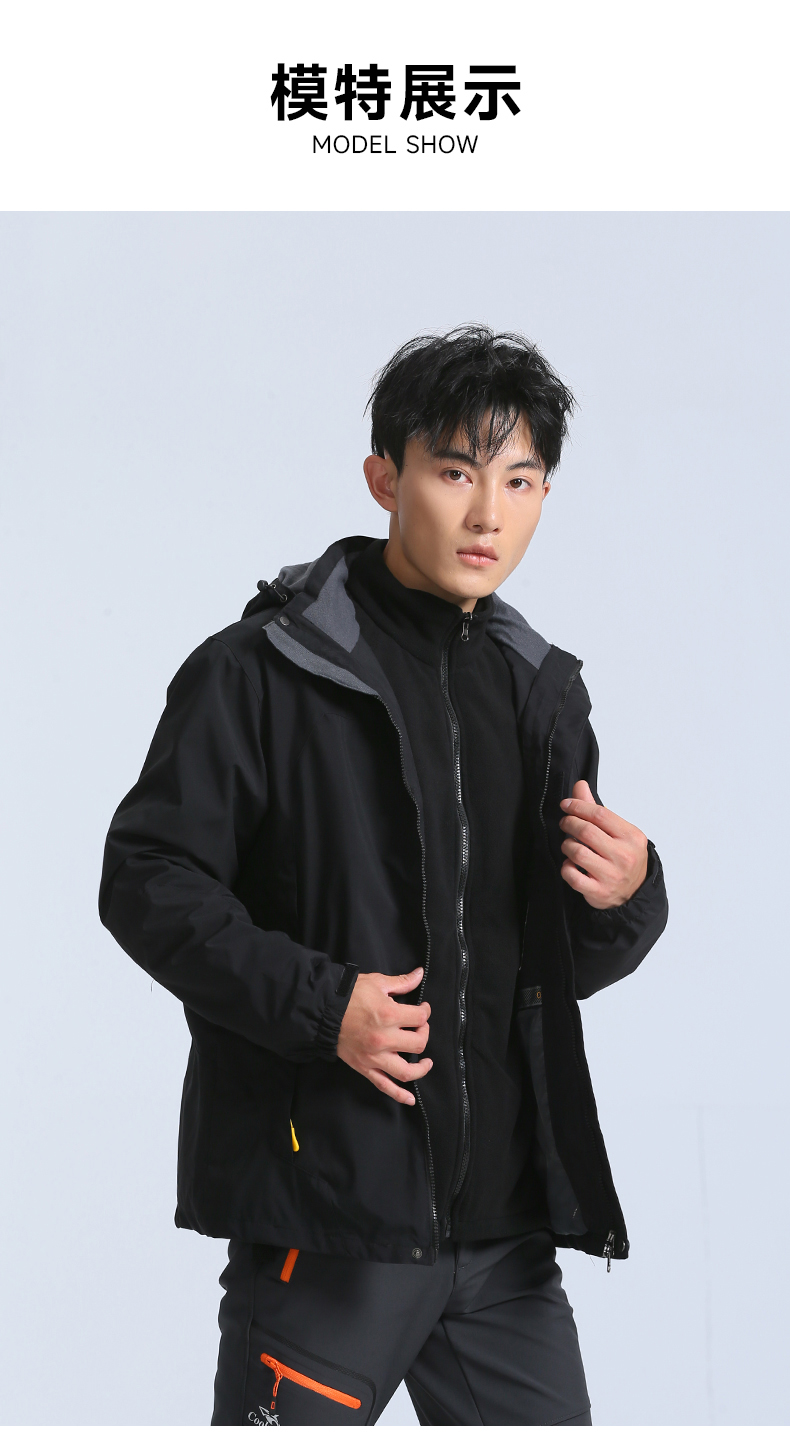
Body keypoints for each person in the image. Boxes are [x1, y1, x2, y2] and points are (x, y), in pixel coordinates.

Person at [99, 326, 668, 1426]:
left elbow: (537, 967)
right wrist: (327, 1009)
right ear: (384, 479)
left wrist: (627, 895)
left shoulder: (541, 693)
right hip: (331, 1229)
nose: (487, 514)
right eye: (455, 473)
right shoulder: (261, 672)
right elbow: (147, 880)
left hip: (504, 1244)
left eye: (519, 481)